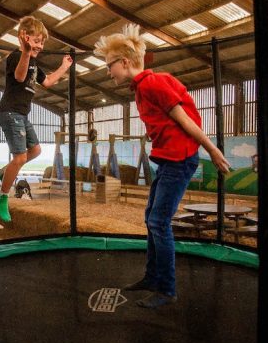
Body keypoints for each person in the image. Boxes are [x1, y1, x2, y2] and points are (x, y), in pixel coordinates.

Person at [94, 24, 230, 309]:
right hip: (169, 159)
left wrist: (213, 149)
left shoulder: (153, 84)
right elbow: (166, 122)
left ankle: (167, 289)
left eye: (110, 66)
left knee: (159, 221)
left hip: (180, 160)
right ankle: (152, 277)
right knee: (150, 218)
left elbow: (185, 120)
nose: (108, 72)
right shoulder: (142, 88)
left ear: (125, 62)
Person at [0, 16, 72, 222]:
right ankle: (2, 197)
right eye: (37, 41)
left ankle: (5, 171)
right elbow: (19, 77)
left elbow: (46, 82)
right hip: (9, 111)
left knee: (35, 150)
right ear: (25, 37)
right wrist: (26, 52)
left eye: (42, 42)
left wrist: (64, 67)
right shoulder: (15, 57)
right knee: (19, 158)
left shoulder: (34, 62)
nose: (40, 46)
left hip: (21, 114)